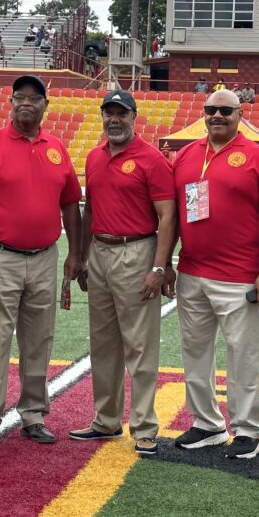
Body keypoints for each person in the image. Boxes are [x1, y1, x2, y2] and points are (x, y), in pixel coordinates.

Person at [0, 75, 83, 448]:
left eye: (34, 97)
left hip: (44, 256)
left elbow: (70, 204)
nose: (26, 102)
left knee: (39, 339)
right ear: (11, 103)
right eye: (19, 97)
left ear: (45, 105)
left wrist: (76, 252)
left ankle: (33, 415)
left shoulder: (56, 147)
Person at [170, 89, 259, 459]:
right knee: (195, 351)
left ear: (240, 114)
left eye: (225, 110)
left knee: (242, 354)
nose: (217, 116)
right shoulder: (186, 155)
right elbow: (173, 213)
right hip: (192, 271)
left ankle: (247, 429)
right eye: (211, 110)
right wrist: (166, 264)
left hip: (240, 276)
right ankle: (207, 423)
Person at [70, 89, 176, 457]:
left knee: (139, 345)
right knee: (103, 343)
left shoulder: (151, 159)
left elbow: (167, 216)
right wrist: (83, 256)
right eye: (109, 113)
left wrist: (160, 266)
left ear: (134, 117)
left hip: (137, 250)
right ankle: (106, 419)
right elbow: (89, 211)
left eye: (121, 113)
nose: (114, 120)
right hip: (100, 251)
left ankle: (144, 427)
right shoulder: (95, 156)